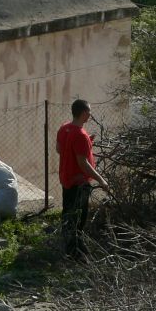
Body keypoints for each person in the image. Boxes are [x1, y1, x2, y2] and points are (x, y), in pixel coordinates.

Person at [57, 98, 109, 257]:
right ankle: (76, 253)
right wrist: (101, 180)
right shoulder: (80, 134)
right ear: (84, 113)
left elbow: (60, 149)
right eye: (89, 112)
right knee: (79, 219)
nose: (90, 115)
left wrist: (87, 144)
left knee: (68, 214)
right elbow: (83, 163)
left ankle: (67, 247)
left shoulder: (65, 128)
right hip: (79, 183)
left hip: (66, 179)